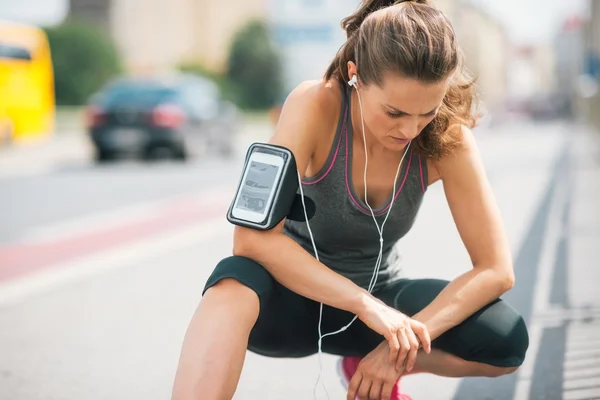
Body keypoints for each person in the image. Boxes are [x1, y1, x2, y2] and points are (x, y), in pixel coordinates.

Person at [171, 1, 529, 399]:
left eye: (425, 112)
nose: (409, 129)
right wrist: (363, 304)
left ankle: (363, 364)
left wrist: (395, 351)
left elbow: (496, 269)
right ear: (354, 74)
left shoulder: (448, 137)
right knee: (233, 280)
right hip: (292, 304)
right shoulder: (314, 104)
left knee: (505, 340)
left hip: (378, 305)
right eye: (394, 112)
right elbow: (251, 240)